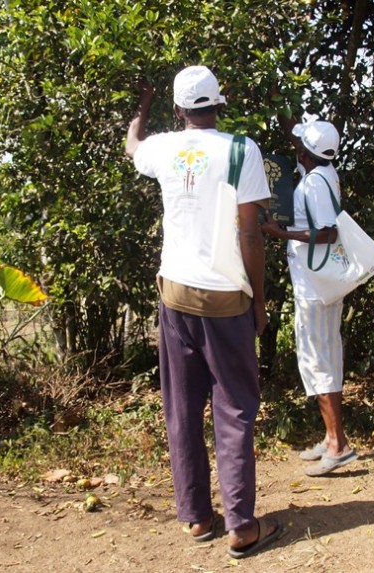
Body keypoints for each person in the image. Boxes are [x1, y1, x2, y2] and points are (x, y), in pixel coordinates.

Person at [124, 65, 283, 558]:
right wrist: (258, 301)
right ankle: (241, 527)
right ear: (219, 105)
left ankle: (197, 518)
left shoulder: (164, 147)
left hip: (175, 294)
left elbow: (132, 145)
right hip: (224, 300)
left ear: (179, 111)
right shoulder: (241, 150)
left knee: (182, 406)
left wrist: (142, 108)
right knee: (234, 409)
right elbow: (251, 234)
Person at [260, 118, 358, 477]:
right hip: (317, 285)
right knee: (320, 355)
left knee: (320, 360)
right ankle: (330, 437)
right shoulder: (325, 170)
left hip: (315, 287)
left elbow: (329, 232)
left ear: (305, 153)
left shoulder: (314, 184)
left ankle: (339, 444)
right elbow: (304, 143)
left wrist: (280, 231)